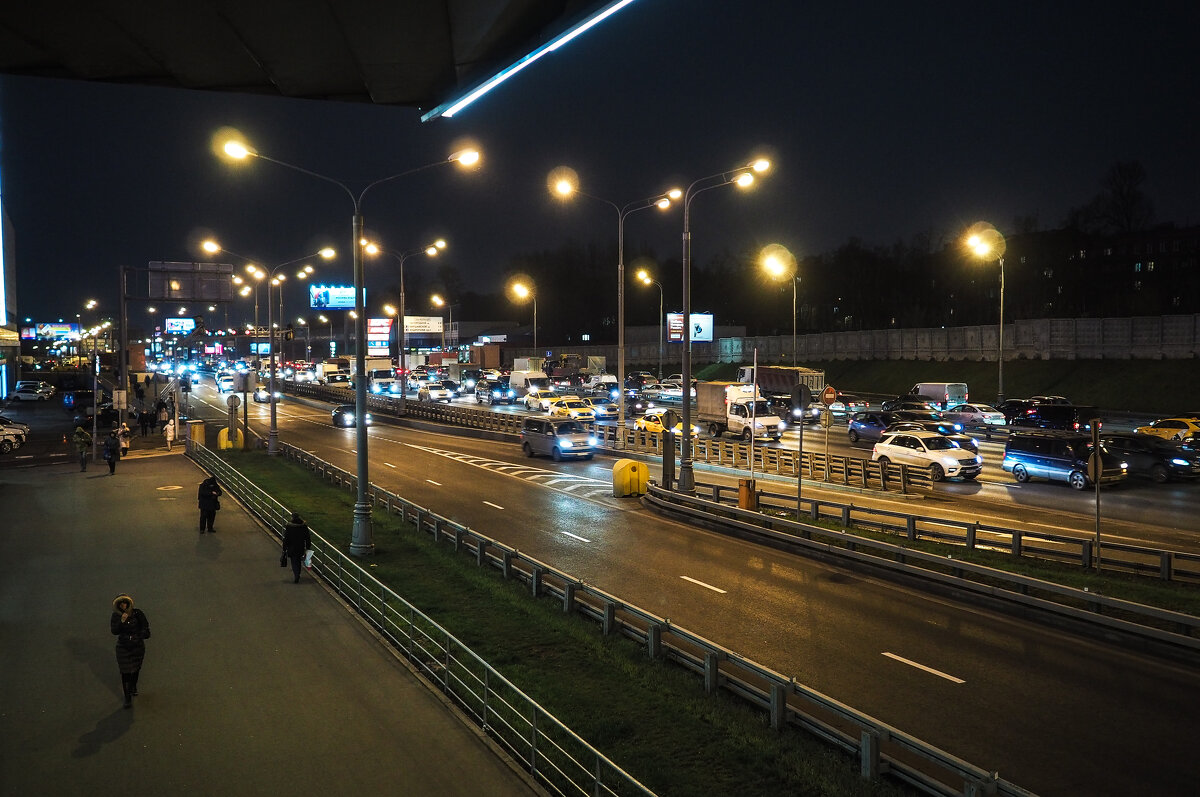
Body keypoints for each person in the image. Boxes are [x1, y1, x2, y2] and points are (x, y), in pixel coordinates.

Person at [110, 594, 151, 708]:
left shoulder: (137, 613)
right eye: (120, 603)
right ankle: (127, 697)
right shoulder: (116, 616)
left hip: (137, 647)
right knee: (125, 672)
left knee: (136, 669)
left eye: (125, 603)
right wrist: (121, 621)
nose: (123, 605)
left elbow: (146, 630)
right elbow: (114, 631)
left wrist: (138, 636)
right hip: (123, 647)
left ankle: (133, 686)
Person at [281, 512, 312, 584]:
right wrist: (308, 546)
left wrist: (284, 548)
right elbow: (307, 537)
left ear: (292, 517)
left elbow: (286, 538)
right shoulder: (303, 526)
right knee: (298, 560)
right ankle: (298, 573)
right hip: (300, 546)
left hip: (291, 547)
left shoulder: (289, 526)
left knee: (294, 561)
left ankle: (296, 574)